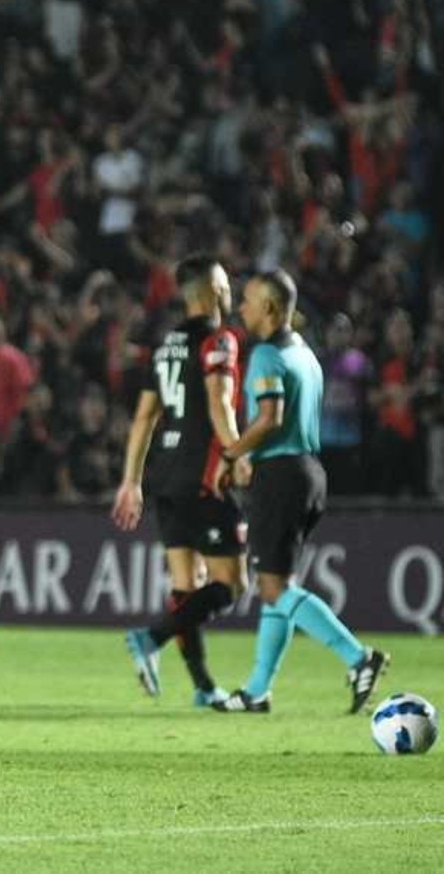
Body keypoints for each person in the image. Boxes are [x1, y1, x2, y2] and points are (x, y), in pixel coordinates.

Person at [212, 270, 390, 714]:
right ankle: (256, 690)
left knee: (274, 589)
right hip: (310, 471)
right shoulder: (306, 355)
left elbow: (270, 417)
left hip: (282, 476)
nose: (241, 308)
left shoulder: (268, 355)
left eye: (249, 301)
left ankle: (357, 656)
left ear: (270, 308)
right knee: (278, 584)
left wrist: (232, 453)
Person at [111, 255, 247, 707]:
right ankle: (151, 637)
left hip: (165, 476)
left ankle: (204, 688)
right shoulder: (219, 340)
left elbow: (145, 417)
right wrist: (237, 451)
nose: (230, 294)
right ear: (209, 292)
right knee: (231, 583)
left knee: (186, 588)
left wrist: (131, 480)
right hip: (203, 475)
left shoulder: (166, 345)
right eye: (224, 285)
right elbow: (218, 403)